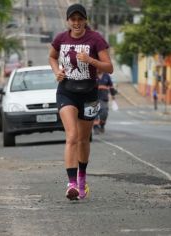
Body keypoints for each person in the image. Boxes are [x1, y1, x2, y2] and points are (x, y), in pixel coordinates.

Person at [48, 3, 113, 200]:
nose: (76, 23)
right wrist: (56, 71)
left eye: (80, 19)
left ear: (85, 20)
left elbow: (109, 67)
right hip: (66, 92)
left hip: (89, 94)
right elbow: (52, 57)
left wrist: (90, 60)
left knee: (84, 139)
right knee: (72, 136)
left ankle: (82, 178)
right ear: (68, 21)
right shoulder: (61, 38)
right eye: (72, 19)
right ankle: (72, 185)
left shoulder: (95, 39)